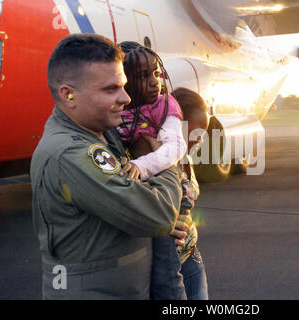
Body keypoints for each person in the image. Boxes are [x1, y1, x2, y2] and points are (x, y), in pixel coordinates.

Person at [30, 33, 185, 300]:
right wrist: (166, 161)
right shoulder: (71, 154)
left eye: (123, 86)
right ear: (69, 95)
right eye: (110, 89)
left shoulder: (100, 132)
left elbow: (132, 202)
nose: (126, 98)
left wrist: (147, 209)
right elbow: (158, 215)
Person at [116, 42, 209, 300]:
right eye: (143, 76)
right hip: (149, 252)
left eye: (156, 74)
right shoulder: (118, 121)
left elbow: (187, 196)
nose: (154, 81)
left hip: (186, 253)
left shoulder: (171, 136)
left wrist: (183, 219)